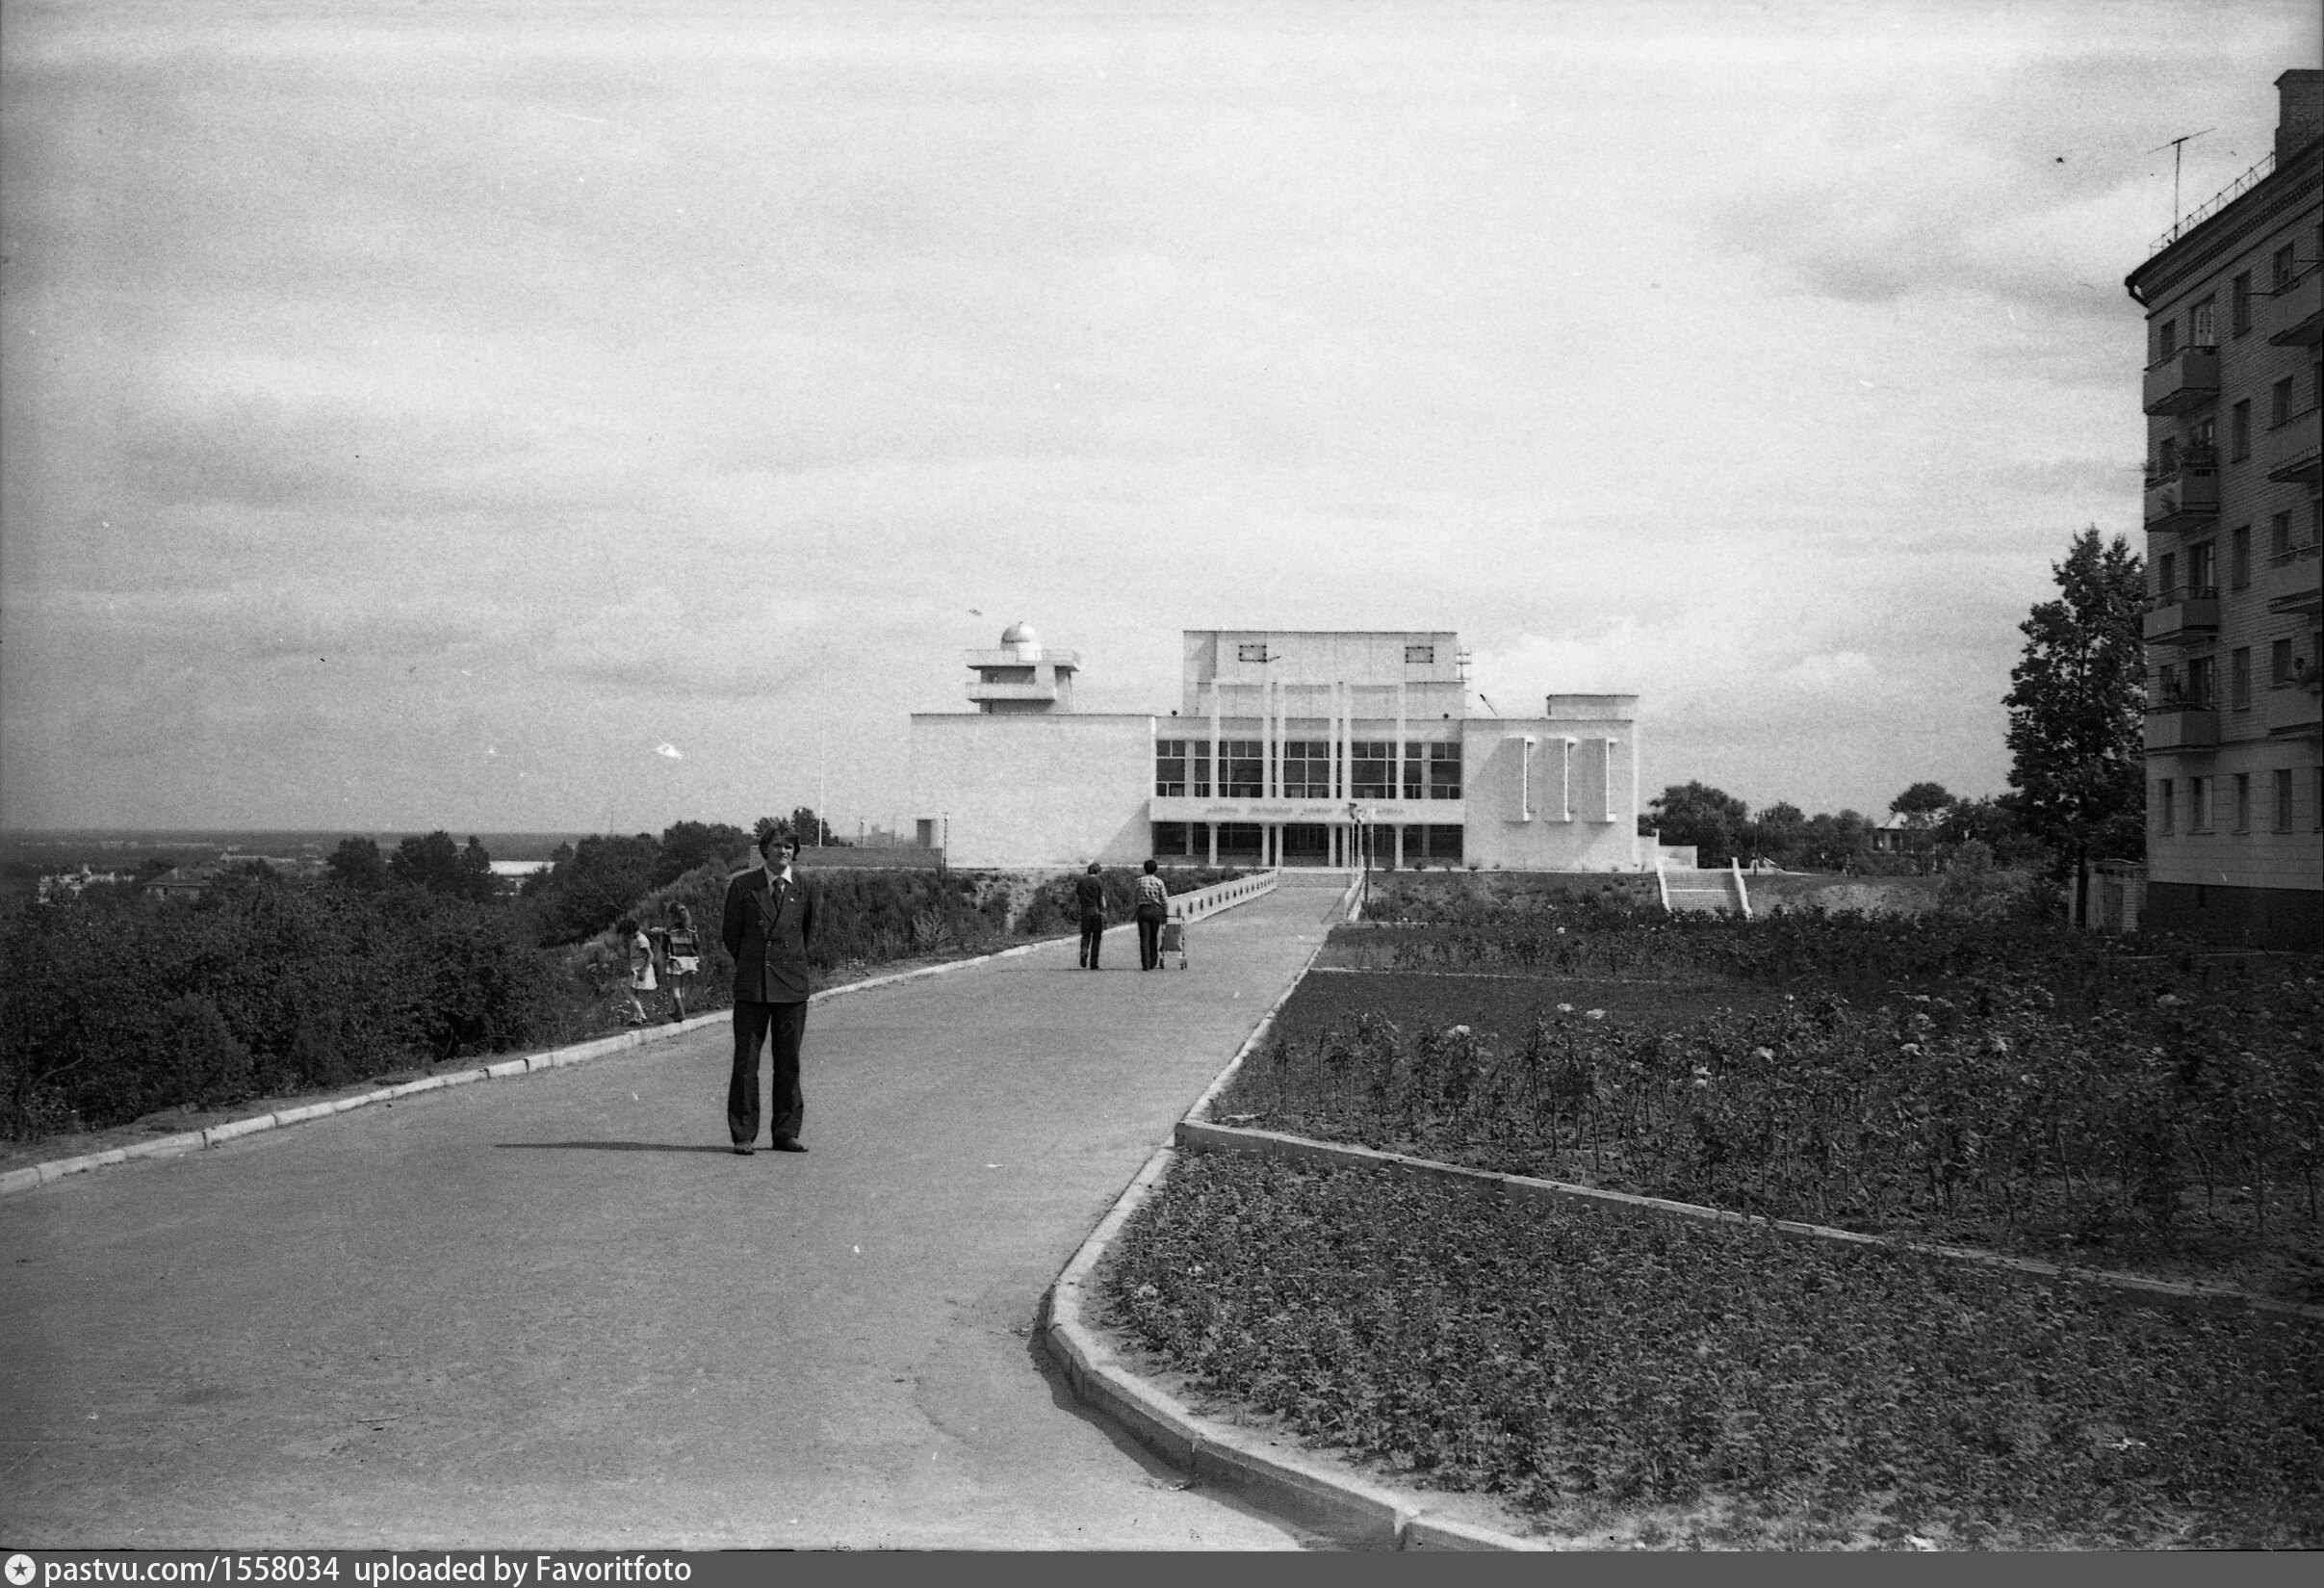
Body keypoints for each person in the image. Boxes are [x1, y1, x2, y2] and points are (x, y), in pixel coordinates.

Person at [720, 830, 818, 1155]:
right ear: (764, 850)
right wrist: (753, 963)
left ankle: (786, 1132)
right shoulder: (743, 886)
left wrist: (785, 964)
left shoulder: (804, 887)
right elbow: (731, 935)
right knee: (746, 1063)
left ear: (796, 852)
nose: (783, 851)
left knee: (788, 1062)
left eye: (789, 846)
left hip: (791, 987)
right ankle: (744, 1134)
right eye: (776, 845)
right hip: (753, 987)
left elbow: (808, 932)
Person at [661, 900, 701, 1023]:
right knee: (682, 987)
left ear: (673, 916)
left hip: (677, 960)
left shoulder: (669, 931)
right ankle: (679, 1011)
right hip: (690, 960)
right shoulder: (692, 929)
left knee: (675, 988)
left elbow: (664, 947)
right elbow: (697, 945)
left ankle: (680, 1012)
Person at [617, 916, 655, 1025]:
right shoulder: (636, 940)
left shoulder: (641, 940)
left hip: (640, 967)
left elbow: (650, 955)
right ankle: (635, 1017)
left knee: (628, 991)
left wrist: (643, 971)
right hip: (635, 966)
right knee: (634, 992)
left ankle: (642, 1016)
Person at [1133, 858, 1168, 972]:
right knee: (1153, 937)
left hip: (1143, 910)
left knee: (1144, 938)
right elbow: (1164, 900)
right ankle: (1153, 961)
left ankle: (1145, 964)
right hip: (1155, 911)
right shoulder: (1159, 882)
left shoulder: (1139, 881)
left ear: (1144, 869)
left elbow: (1135, 897)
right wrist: (1165, 913)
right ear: (1155, 869)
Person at [1074, 861, 1107, 970]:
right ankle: (1094, 963)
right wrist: (1104, 910)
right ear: (1097, 872)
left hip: (1085, 911)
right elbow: (1102, 899)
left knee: (1085, 935)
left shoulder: (1081, 882)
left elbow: (1078, 894)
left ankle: (1084, 952)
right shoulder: (1099, 882)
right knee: (1096, 937)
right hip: (1096, 911)